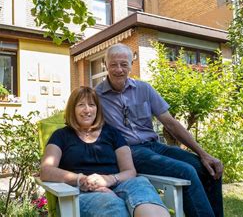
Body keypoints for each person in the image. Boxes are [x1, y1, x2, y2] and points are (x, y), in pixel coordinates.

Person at [95, 43, 224, 217]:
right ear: (105, 65)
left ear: (131, 66)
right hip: (130, 152)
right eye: (113, 64)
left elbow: (170, 123)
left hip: (155, 146)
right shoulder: (96, 96)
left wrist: (203, 154)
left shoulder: (144, 89)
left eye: (124, 64)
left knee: (209, 167)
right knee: (185, 171)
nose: (119, 69)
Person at [41, 86, 169, 217]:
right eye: (81, 105)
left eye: (92, 105)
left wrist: (109, 180)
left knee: (141, 187)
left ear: (97, 109)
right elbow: (46, 171)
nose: (87, 110)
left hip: (119, 184)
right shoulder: (61, 135)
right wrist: (82, 180)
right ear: (72, 109)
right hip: (80, 193)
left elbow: (130, 171)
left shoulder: (112, 133)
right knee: (113, 206)